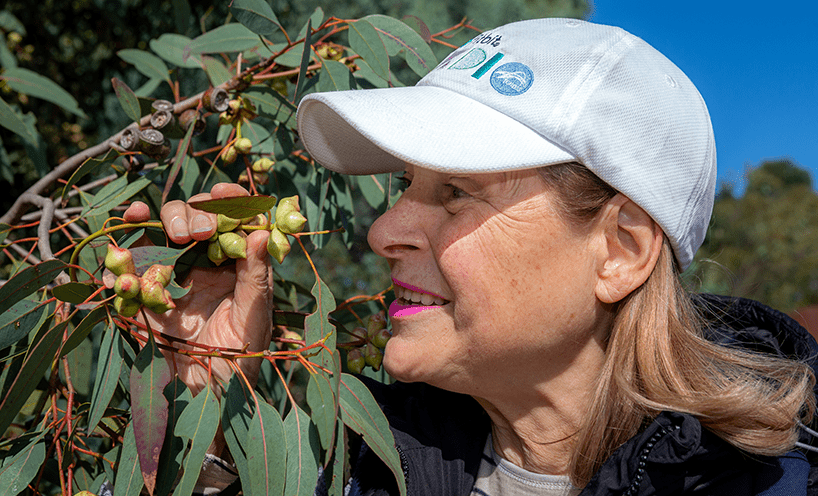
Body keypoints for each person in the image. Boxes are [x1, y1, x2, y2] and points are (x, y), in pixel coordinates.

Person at [125, 18, 817, 495]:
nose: (384, 230)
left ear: (620, 251)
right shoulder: (351, 467)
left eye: (456, 191)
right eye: (406, 185)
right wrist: (199, 433)